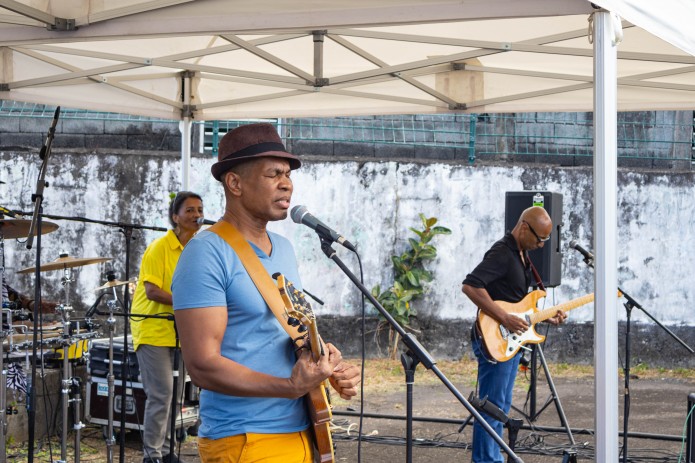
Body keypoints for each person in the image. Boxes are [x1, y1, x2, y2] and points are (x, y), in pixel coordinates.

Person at [171, 123, 361, 463]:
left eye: (287, 174)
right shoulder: (206, 252)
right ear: (235, 183)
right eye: (273, 174)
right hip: (245, 439)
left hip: (304, 428)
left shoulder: (285, 248)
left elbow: (286, 332)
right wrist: (289, 386)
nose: (286, 183)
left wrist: (325, 365)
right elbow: (202, 366)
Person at [461, 206, 567, 463]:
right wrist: (503, 317)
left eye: (546, 240)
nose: (542, 245)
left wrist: (546, 316)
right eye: (539, 239)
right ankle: (486, 460)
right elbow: (471, 286)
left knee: (500, 406)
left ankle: (492, 457)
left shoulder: (521, 254)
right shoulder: (502, 252)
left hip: (509, 339)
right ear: (523, 227)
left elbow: (517, 302)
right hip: (494, 336)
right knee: (492, 407)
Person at [130, 191, 204, 463]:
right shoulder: (159, 247)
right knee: (161, 394)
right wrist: (187, 303)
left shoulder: (195, 250)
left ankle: (167, 451)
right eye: (190, 210)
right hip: (152, 329)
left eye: (199, 210)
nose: (197, 215)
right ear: (175, 217)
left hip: (179, 331)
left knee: (175, 396)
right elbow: (152, 291)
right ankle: (151, 456)